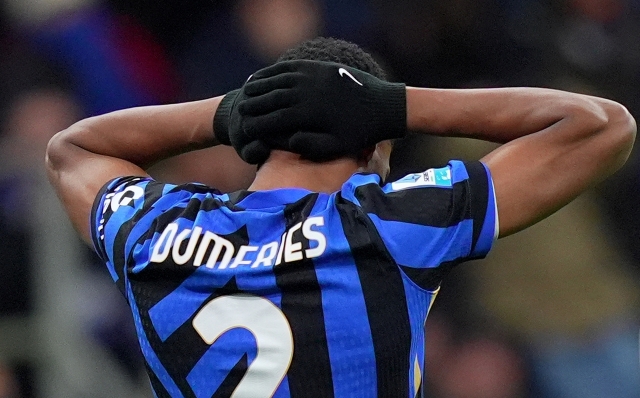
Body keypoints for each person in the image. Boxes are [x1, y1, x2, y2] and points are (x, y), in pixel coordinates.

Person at [45, 37, 635, 397]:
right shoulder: (390, 224)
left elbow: (72, 150)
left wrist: (229, 112)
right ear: (377, 147)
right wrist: (396, 104)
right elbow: (602, 127)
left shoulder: (157, 231)